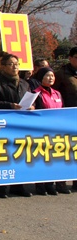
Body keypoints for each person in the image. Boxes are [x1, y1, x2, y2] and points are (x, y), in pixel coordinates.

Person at [0, 53, 33, 198]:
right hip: (3, 124)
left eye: (17, 64)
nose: (15, 67)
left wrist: (32, 106)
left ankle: (18, 186)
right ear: (3, 67)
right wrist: (10, 105)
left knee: (19, 154)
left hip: (21, 124)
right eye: (11, 64)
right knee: (3, 156)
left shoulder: (24, 84)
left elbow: (29, 100)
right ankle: (1, 188)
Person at [32, 67, 68, 195]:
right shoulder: (36, 93)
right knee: (41, 159)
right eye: (47, 76)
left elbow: (63, 110)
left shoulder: (57, 93)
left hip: (56, 131)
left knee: (53, 159)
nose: (51, 78)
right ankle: (40, 185)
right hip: (41, 131)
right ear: (41, 78)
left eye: (52, 75)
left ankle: (50, 184)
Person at [52, 46, 77, 192]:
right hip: (66, 118)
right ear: (71, 57)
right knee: (65, 151)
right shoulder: (61, 74)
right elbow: (53, 93)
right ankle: (60, 182)